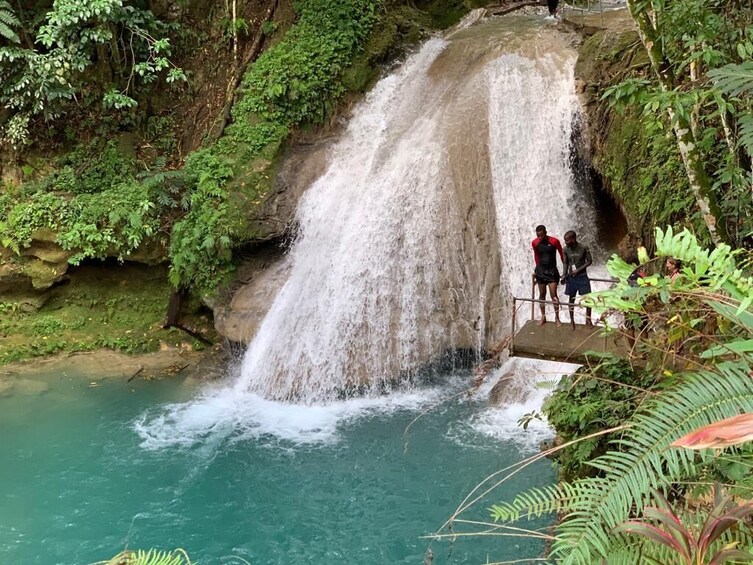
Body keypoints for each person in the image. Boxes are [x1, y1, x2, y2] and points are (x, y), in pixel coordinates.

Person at [531, 224, 564, 326]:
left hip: (552, 271)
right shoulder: (535, 243)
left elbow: (562, 254)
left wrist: (566, 269)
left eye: (541, 235)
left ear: (546, 232)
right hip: (541, 271)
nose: (540, 238)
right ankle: (543, 317)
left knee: (554, 295)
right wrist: (537, 269)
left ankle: (557, 318)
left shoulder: (554, 241)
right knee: (542, 295)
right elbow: (536, 255)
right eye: (538, 236)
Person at [560, 230, 593, 329]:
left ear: (573, 239)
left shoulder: (583, 248)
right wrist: (563, 275)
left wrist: (578, 270)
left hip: (582, 276)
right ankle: (572, 320)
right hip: (571, 278)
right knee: (571, 299)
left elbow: (589, 261)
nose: (566, 243)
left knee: (588, 299)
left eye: (567, 241)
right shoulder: (565, 249)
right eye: (565, 241)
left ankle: (588, 319)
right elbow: (565, 263)